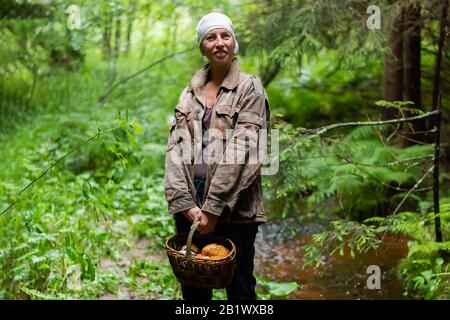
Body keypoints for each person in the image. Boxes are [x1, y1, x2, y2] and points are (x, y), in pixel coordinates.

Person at [164, 12, 270, 300]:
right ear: (202, 47)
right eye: (211, 37)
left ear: (234, 43)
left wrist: (213, 208)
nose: (219, 42)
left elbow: (243, 150)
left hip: (236, 208)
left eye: (225, 36)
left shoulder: (250, 88)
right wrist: (183, 201)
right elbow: (175, 149)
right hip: (191, 206)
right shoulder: (188, 93)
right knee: (194, 289)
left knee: (240, 289)